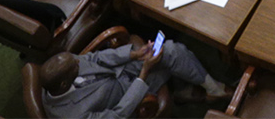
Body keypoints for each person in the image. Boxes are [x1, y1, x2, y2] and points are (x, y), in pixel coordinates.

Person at [38, 36, 227, 117]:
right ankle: (206, 91)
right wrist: (143, 73)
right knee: (169, 57)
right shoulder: (74, 116)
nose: (78, 62)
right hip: (129, 95)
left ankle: (212, 89)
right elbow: (118, 115)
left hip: (120, 69)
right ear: (64, 83)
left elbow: (95, 58)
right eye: (75, 66)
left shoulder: (65, 66)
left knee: (169, 50)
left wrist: (133, 55)